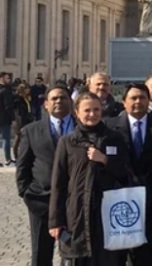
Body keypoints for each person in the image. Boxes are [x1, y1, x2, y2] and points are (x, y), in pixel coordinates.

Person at [48, 92, 130, 266]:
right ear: (76, 112)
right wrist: (55, 220)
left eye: (96, 109)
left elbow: (125, 173)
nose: (92, 114)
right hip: (77, 213)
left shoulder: (114, 138)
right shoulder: (67, 142)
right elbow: (58, 183)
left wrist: (105, 160)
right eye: (87, 110)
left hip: (107, 212)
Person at [105, 82, 152, 265]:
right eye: (133, 98)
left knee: (149, 252)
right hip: (120, 197)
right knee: (119, 254)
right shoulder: (109, 127)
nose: (138, 102)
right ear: (124, 102)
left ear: (149, 100)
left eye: (142, 98)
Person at [17, 86, 74, 266]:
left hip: (75, 202)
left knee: (75, 253)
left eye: (63, 98)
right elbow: (22, 168)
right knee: (41, 254)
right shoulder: (30, 131)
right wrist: (27, 193)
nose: (59, 101)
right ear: (46, 104)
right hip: (41, 202)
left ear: (71, 102)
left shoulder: (82, 127)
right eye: (54, 98)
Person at [12, 83, 34, 159]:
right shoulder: (18, 99)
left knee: (25, 139)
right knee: (18, 139)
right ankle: (16, 156)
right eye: (26, 89)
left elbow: (28, 109)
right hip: (20, 122)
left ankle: (25, 155)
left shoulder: (26, 98)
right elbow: (19, 114)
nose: (28, 90)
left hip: (27, 121)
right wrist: (22, 125)